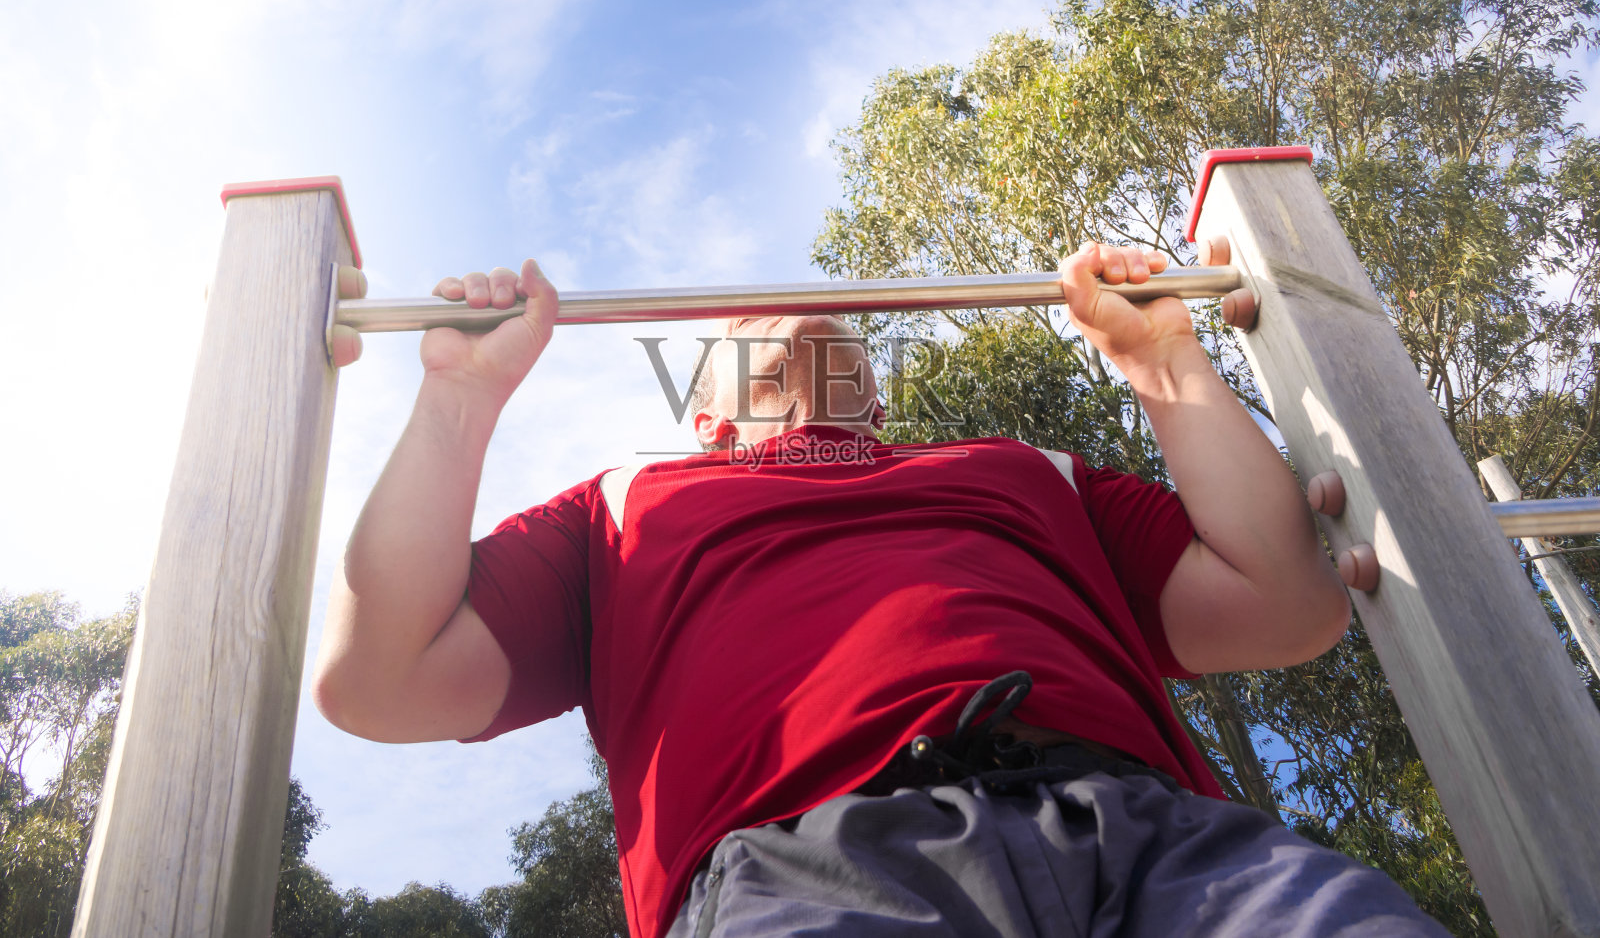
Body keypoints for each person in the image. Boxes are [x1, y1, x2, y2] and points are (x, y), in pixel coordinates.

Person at [312, 244, 1443, 938]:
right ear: (703, 410)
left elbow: (1283, 606)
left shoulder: (1015, 468)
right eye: (743, 321)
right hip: (811, 870)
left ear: (877, 391)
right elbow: (381, 679)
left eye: (833, 318)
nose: (795, 309)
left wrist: (1164, 363)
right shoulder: (628, 499)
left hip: (1153, 839)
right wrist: (460, 400)